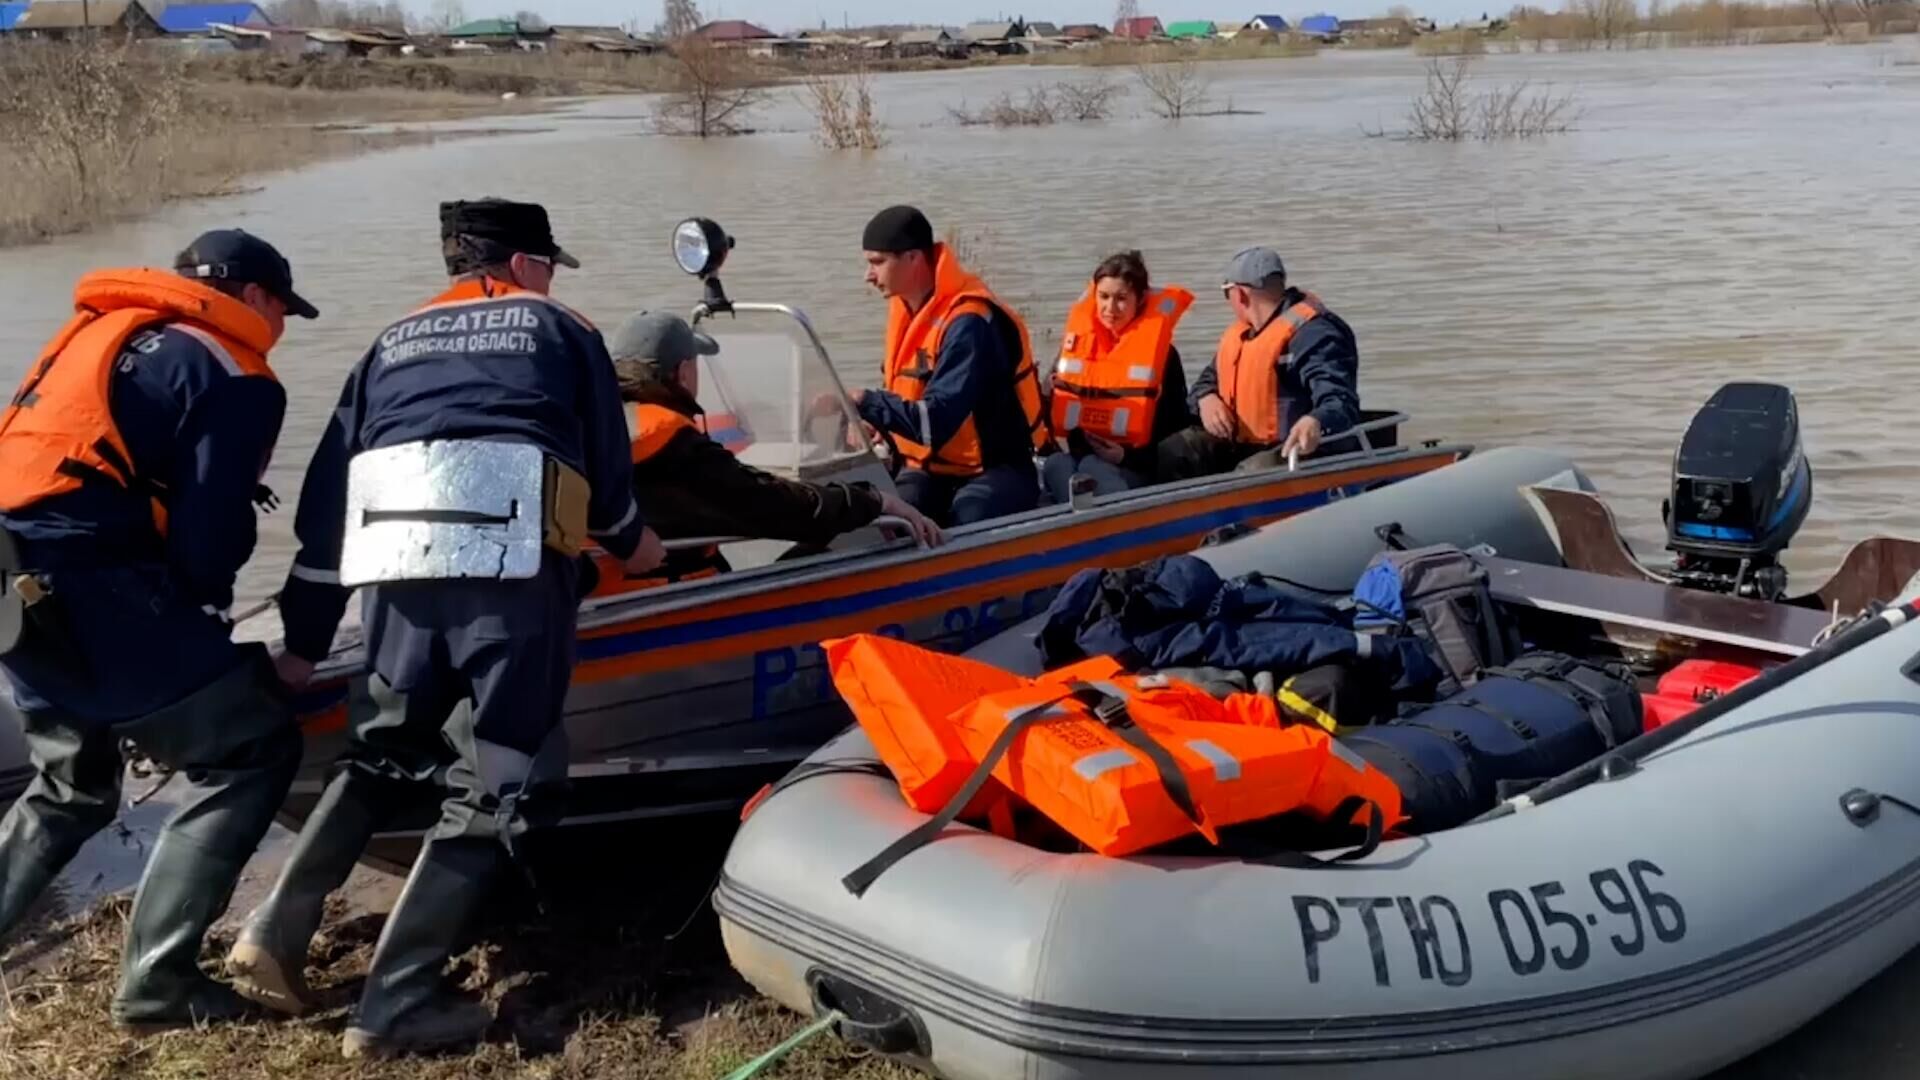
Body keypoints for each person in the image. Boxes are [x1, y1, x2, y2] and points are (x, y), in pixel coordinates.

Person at [223, 198, 665, 1059]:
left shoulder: (390, 340)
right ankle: (394, 1002)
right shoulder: (560, 327)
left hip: (395, 570)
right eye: (548, 263)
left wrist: (307, 643)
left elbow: (325, 510)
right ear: (527, 263)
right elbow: (606, 475)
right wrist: (630, 541)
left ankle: (269, 936)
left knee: (381, 751)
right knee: (498, 780)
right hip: (509, 572)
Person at [0, 230, 317, 1029]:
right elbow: (208, 539)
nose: (278, 331)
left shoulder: (104, 336)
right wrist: (203, 628)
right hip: (85, 578)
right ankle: (158, 987)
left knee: (71, 783)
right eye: (282, 311)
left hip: (13, 577)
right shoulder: (233, 367)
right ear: (254, 298)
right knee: (249, 748)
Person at [585, 311, 941, 595]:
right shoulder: (673, 445)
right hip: (662, 603)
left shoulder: (593, 420)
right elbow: (778, 506)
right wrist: (873, 501)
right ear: (683, 372)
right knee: (821, 557)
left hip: (597, 592)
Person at [842, 205, 1050, 526]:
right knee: (887, 517)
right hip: (931, 468)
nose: (868, 275)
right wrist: (872, 422)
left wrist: (866, 401)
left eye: (877, 262)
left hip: (997, 469)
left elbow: (936, 423)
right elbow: (908, 396)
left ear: (913, 258)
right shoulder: (907, 309)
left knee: (967, 517)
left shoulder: (969, 322)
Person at [1156, 246, 1361, 481]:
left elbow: (1340, 400)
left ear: (1240, 295)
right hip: (1244, 444)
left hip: (1300, 449)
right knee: (1177, 451)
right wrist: (1206, 398)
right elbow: (1205, 382)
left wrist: (1314, 420)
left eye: (1227, 294)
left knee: (1254, 470)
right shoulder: (1243, 335)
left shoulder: (1314, 334)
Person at [1041, 250, 1195, 501]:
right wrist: (1045, 390)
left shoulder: (1164, 357)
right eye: (1103, 297)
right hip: (1078, 456)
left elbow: (1174, 436)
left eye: (1121, 298)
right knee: (1056, 465)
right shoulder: (1075, 347)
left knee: (1093, 469)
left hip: (1134, 465)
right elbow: (1046, 411)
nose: (1110, 308)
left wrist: (1125, 456)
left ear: (1141, 299)